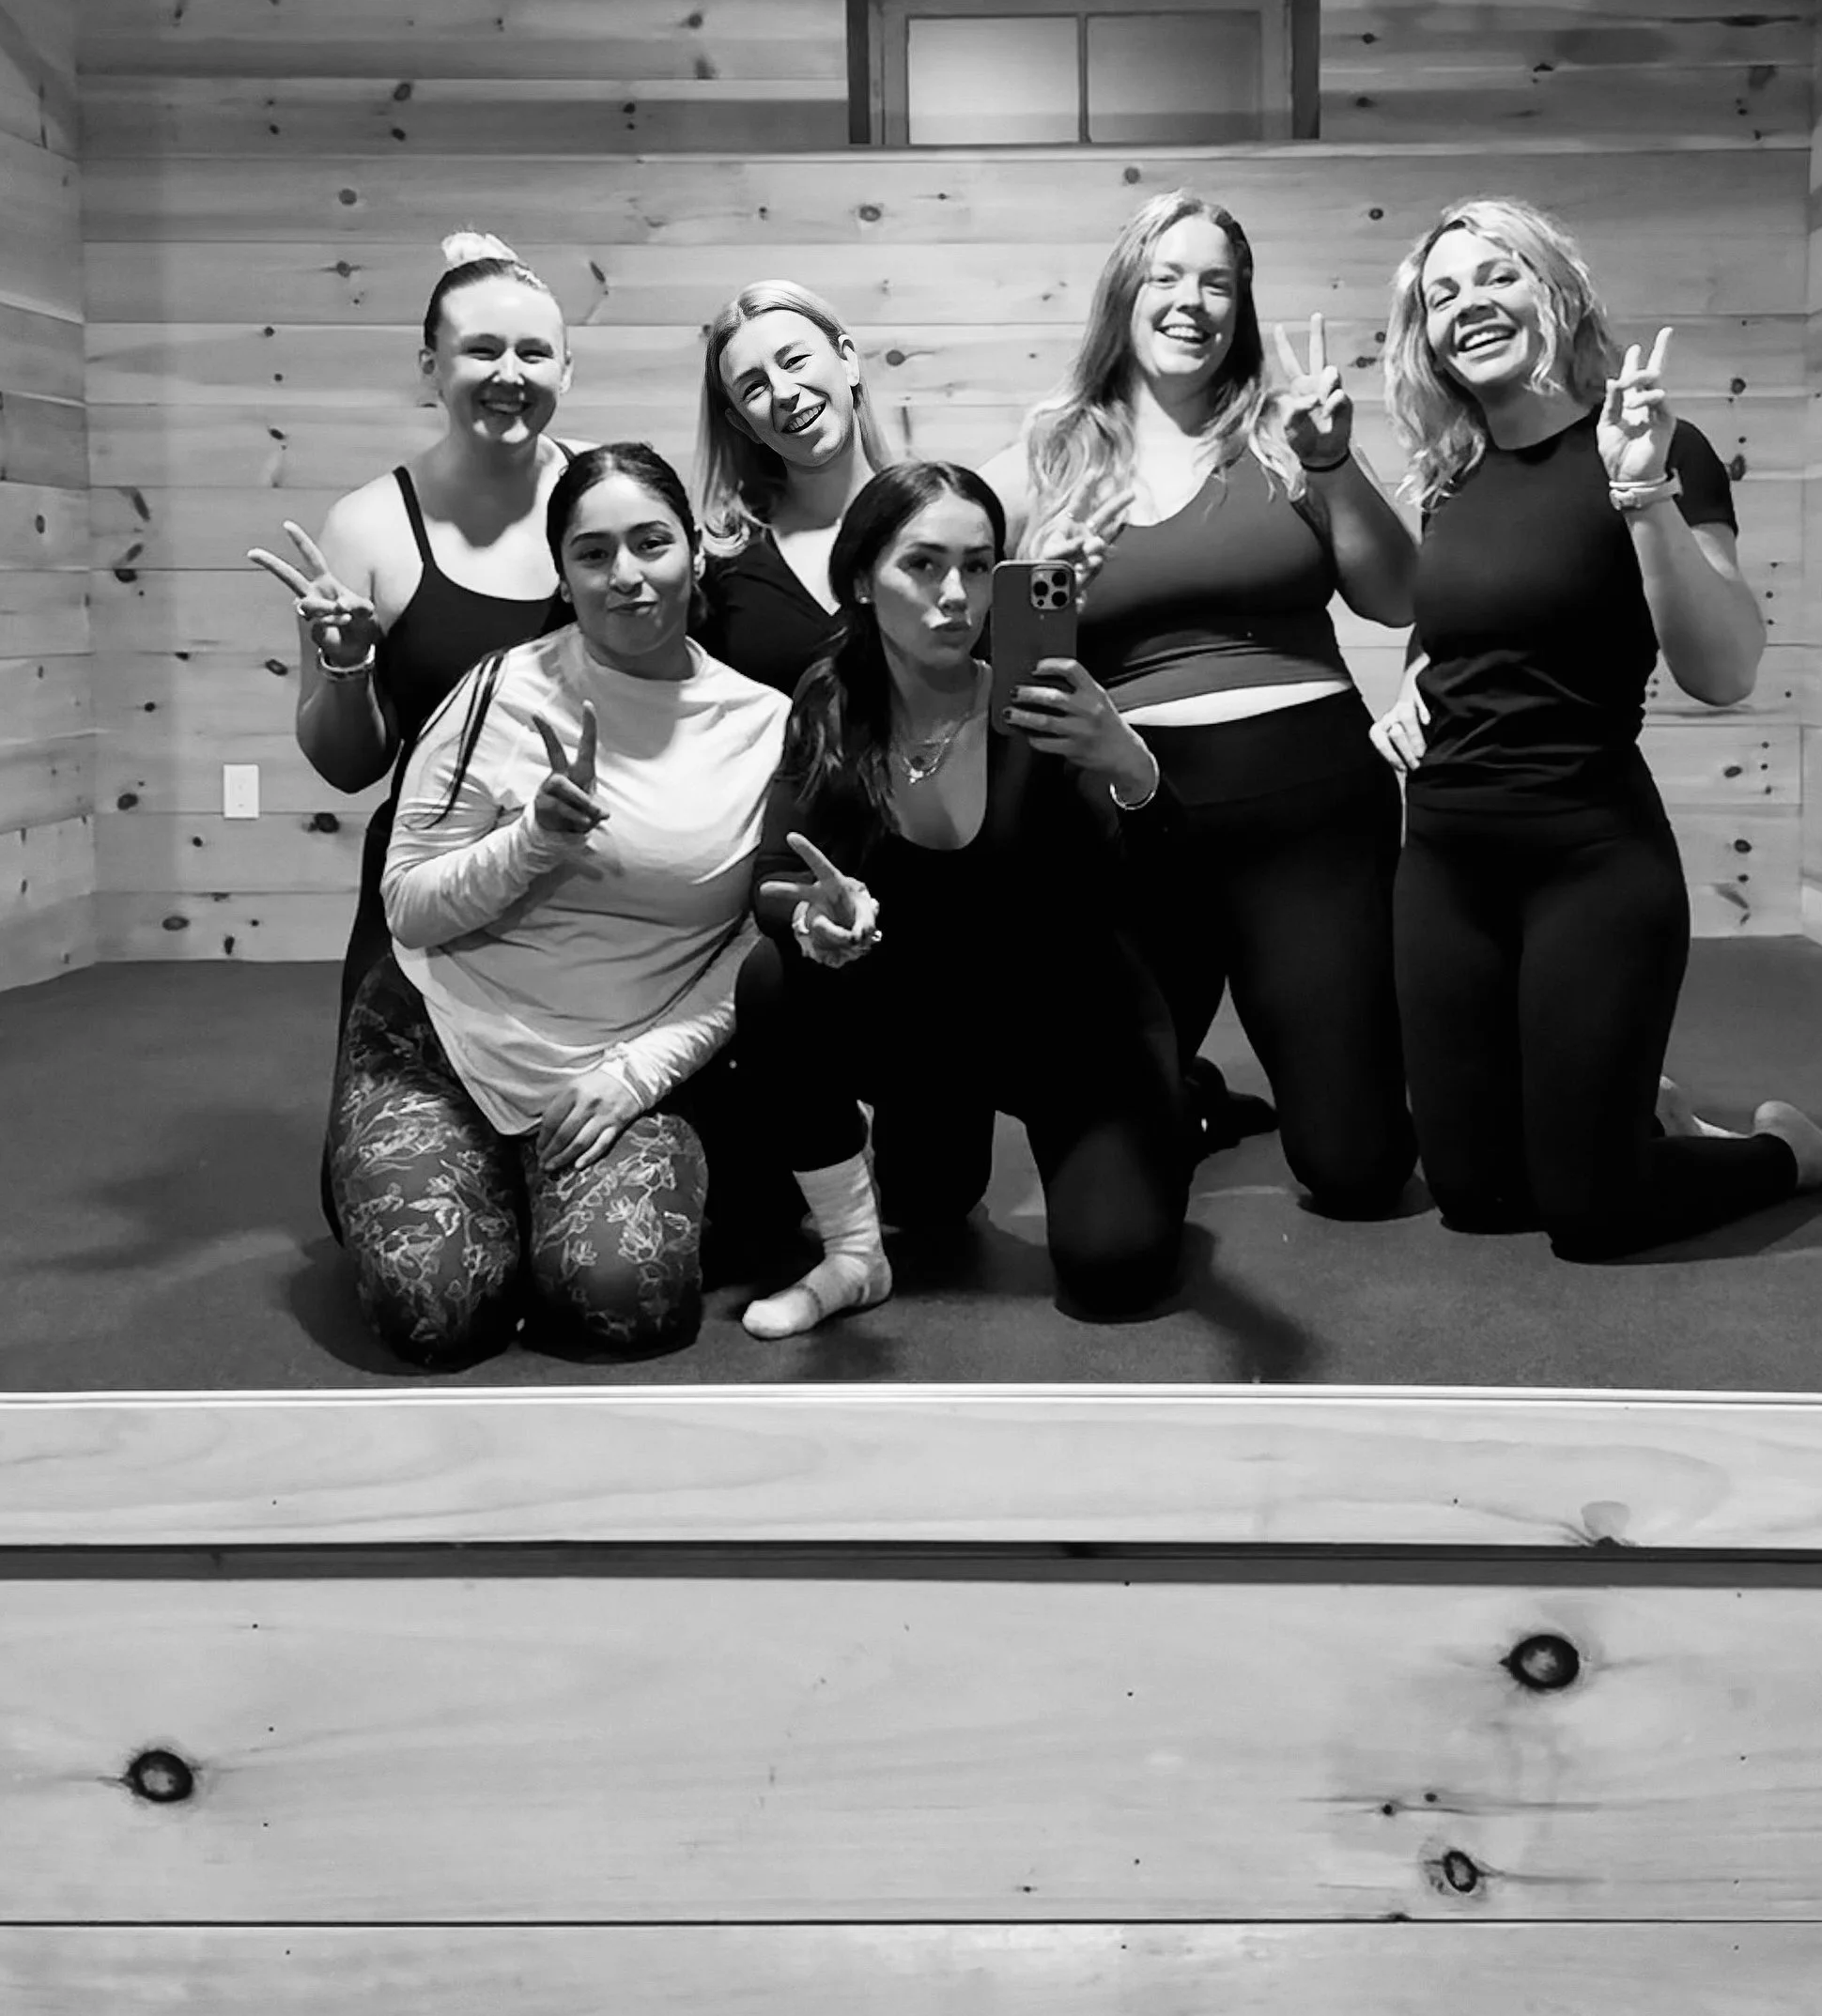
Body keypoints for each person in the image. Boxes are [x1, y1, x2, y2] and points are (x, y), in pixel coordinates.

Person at [1372, 199, 1822, 1261]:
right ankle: (1624, 1102)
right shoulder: (1448, 479)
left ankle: (1789, 1151)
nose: (1469, 305)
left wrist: (1639, 491)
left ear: (1555, 288)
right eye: (1442, 294)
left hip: (1586, 861)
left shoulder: (1657, 445)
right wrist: (1407, 687)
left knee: (1589, 1216)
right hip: (1446, 866)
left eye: (1496, 275)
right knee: (1474, 1195)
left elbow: (1724, 669)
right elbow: (1469, 633)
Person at [983, 192, 1418, 1215]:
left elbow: (1396, 597)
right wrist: (1043, 582)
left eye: (1217, 282)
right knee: (1118, 1185)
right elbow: (1010, 680)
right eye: (1167, 277)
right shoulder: (1042, 457)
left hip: (1312, 811)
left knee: (1357, 1171)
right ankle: (1192, 1096)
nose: (1193, 302)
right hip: (1136, 823)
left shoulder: (1288, 432)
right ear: (1122, 295)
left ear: (1243, 305)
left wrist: (1333, 463)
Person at [326, 443, 791, 1366]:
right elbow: (410, 908)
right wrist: (533, 841)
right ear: (565, 574)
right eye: (594, 553)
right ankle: (485, 1197)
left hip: (618, 1068)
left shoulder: (765, 726)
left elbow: (752, 944)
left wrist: (641, 1075)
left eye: (651, 543)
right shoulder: (500, 692)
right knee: (435, 1313)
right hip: (442, 1048)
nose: (627, 575)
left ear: (693, 554)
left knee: (624, 1302)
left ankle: (541, 1208)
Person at [733, 460, 1191, 1338]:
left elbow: (1170, 889)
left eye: (979, 567)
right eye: (924, 565)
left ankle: (1172, 1114)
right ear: (863, 579)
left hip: (1075, 1032)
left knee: (1116, 1273)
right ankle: (852, 1254)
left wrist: (1131, 767)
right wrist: (813, 915)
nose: (956, 595)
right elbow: (771, 882)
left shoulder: (1046, 708)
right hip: (931, 1030)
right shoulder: (830, 703)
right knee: (773, 981)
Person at [246, 230, 578, 1029]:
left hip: (593, 885)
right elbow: (347, 767)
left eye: (534, 352)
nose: (509, 375)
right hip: (433, 890)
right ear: (430, 365)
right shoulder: (366, 529)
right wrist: (348, 666)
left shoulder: (612, 499)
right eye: (481, 350)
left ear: (568, 369)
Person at [694, 279, 896, 697]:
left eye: (796, 361)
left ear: (848, 361)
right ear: (742, 425)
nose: (783, 392)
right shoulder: (721, 563)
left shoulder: (936, 522)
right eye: (754, 387)